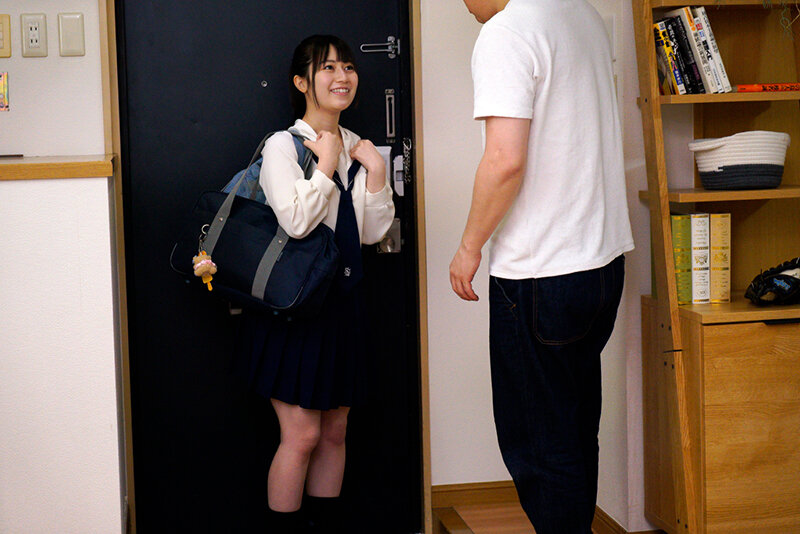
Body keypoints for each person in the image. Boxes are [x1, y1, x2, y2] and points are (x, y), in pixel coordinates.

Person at [450, 1, 635, 533]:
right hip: (601, 265)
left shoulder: (507, 32)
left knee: (540, 443)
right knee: (573, 430)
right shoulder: (582, 15)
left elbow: (505, 159)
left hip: (541, 275)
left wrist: (469, 246)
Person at [233, 35, 394, 533]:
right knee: (301, 436)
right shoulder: (283, 146)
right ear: (302, 83)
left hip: (342, 306)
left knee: (335, 433)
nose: (342, 77)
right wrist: (325, 164)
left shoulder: (355, 144)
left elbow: (370, 233)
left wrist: (376, 172)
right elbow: (297, 222)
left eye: (348, 67)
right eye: (328, 68)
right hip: (295, 309)